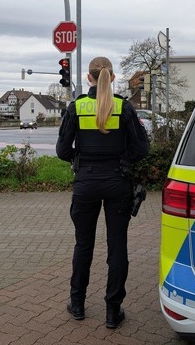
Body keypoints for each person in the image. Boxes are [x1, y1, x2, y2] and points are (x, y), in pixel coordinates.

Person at [56, 56, 149, 329]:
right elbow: (142, 149)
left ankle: (77, 304)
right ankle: (112, 311)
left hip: (86, 183)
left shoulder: (76, 108)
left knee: (83, 245)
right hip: (118, 182)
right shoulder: (124, 107)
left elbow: (62, 151)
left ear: (89, 78)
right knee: (117, 247)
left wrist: (81, 159)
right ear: (113, 77)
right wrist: (123, 159)